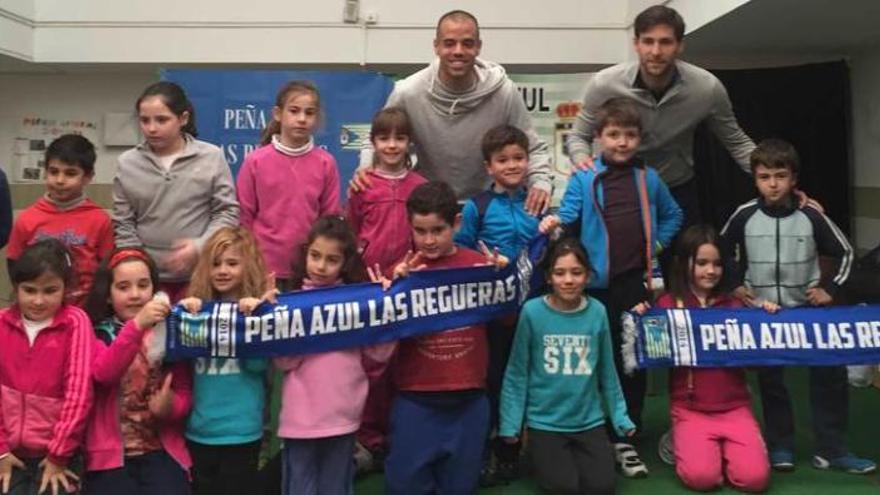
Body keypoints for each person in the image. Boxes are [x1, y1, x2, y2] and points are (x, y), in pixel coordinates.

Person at [540, 97, 682, 477]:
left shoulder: (648, 178)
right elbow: (567, 220)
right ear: (599, 138)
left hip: (634, 285)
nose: (622, 142)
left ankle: (626, 433)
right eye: (614, 135)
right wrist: (550, 224)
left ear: (639, 139)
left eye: (630, 135)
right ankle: (587, 426)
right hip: (592, 289)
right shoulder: (584, 178)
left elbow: (673, 215)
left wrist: (656, 246)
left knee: (630, 362)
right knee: (590, 358)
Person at [721, 138, 874, 474]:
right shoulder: (744, 215)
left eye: (780, 175)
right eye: (764, 176)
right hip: (765, 314)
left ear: (794, 179)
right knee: (772, 382)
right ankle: (781, 446)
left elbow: (846, 252)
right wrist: (735, 285)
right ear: (754, 179)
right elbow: (720, 249)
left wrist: (828, 288)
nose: (773, 184)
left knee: (829, 375)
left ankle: (832, 449)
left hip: (808, 312)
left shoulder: (811, 216)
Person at [567, 4, 753, 227]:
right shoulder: (605, 84)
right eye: (648, 41)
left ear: (680, 46)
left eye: (665, 42)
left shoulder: (707, 89)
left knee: (684, 260)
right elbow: (578, 136)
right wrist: (586, 172)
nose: (655, 52)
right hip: (616, 188)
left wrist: (778, 176)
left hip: (676, 189)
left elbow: (737, 143)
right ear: (636, 44)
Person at [353, 10, 553, 213]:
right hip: (431, 208)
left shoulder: (504, 91)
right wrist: (365, 167)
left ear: (478, 47)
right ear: (436, 47)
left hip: (489, 208)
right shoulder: (408, 92)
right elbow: (377, 136)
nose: (458, 51)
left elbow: (533, 147)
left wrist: (541, 182)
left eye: (467, 43)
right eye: (449, 43)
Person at [383, 181, 507, 495]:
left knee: (460, 487)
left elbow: (507, 322)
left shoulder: (479, 266)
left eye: (437, 230)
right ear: (409, 226)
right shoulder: (400, 273)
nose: (428, 240)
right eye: (419, 231)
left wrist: (503, 283)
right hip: (415, 398)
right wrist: (389, 294)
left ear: (456, 223)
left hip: (469, 400)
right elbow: (378, 336)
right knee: (404, 486)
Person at [633, 225, 771, 492]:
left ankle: (724, 448)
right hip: (691, 409)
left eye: (717, 264)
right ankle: (679, 440)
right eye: (702, 263)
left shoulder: (736, 306)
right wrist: (641, 319)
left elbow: (756, 363)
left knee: (754, 481)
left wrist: (766, 320)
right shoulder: (668, 304)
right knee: (701, 479)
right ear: (685, 263)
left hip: (735, 408)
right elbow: (651, 352)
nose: (711, 271)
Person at [499, 238, 635, 495]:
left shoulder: (597, 311)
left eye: (576, 272)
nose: (568, 280)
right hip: (545, 422)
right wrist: (510, 423)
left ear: (587, 276)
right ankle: (537, 452)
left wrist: (619, 415)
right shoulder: (532, 312)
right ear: (549, 277)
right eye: (560, 273)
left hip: (588, 421)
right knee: (564, 486)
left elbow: (607, 370)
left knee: (601, 486)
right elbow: (517, 372)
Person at [274, 216, 395, 495]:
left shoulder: (357, 302)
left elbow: (376, 356)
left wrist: (384, 313)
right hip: (300, 421)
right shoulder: (291, 303)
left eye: (332, 259)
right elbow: (283, 362)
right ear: (305, 254)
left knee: (336, 487)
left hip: (343, 417)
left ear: (345, 263)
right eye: (315, 256)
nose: (321, 266)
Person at [453, 124, 540, 483]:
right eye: (502, 160)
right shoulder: (477, 206)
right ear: (488, 167)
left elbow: (550, 251)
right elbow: (460, 251)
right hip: (490, 312)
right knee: (492, 378)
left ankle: (515, 447)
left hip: (532, 309)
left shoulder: (538, 201)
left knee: (523, 377)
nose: (511, 165)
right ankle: (487, 445)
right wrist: (485, 263)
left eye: (518, 158)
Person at [346, 107, 426, 473]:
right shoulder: (362, 186)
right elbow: (351, 234)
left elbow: (426, 238)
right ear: (374, 142)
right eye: (384, 138)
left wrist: (408, 271)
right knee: (368, 368)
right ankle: (366, 438)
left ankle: (397, 437)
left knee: (402, 365)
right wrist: (360, 276)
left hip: (407, 289)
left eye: (399, 138)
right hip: (368, 291)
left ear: (409, 142)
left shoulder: (419, 187)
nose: (392, 145)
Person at [113, 81, 239, 302]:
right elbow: (123, 223)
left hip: (201, 275)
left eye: (161, 120)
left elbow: (227, 213)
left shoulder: (211, 156)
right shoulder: (127, 163)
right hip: (146, 282)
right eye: (144, 120)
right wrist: (139, 267)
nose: (151, 128)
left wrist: (199, 246)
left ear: (183, 119)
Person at [81, 247, 192, 494]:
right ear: (108, 295)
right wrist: (137, 325)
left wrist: (170, 406)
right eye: (123, 287)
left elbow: (184, 390)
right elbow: (103, 374)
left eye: (143, 285)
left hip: (161, 451)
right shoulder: (97, 333)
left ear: (154, 289)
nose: (135, 295)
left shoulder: (169, 332)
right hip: (109, 458)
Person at [177, 227, 273, 495]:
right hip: (200, 432)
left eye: (232, 263)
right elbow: (177, 359)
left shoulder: (256, 313)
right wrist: (187, 313)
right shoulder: (195, 309)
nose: (222, 270)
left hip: (242, 433)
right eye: (215, 264)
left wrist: (251, 323)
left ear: (248, 266)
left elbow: (258, 367)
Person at [0, 239, 93, 495]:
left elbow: (79, 394)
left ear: (66, 289)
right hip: (8, 453)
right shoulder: (2, 323)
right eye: (29, 290)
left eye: (50, 290)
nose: (39, 301)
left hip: (58, 455)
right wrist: (1, 451)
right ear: (16, 288)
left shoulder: (76, 322)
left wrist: (57, 456)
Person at [238, 80, 341, 290]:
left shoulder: (326, 163)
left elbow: (329, 220)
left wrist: (319, 263)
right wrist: (250, 262)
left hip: (308, 273)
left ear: (317, 118)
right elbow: (243, 217)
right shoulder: (255, 161)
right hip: (263, 269)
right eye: (294, 111)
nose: (302, 119)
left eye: (309, 113)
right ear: (278, 114)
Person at [7, 134, 114, 306]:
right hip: (39, 308)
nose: (60, 180)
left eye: (70, 173)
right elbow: (14, 266)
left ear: (88, 177)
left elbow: (106, 270)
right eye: (53, 171)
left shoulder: (99, 220)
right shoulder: (26, 219)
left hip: (85, 311)